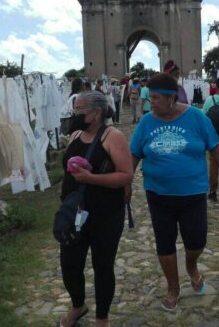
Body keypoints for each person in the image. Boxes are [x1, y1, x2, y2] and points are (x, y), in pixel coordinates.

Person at [129, 74, 219, 312]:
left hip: (193, 193)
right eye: (150, 97)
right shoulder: (147, 122)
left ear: (171, 98)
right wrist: (126, 182)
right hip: (158, 194)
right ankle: (173, 288)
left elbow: (215, 146)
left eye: (156, 97)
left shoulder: (196, 117)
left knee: (196, 242)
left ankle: (191, 266)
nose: (150, 102)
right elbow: (134, 153)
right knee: (164, 243)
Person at [59, 91, 133, 327]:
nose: (75, 114)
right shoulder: (76, 135)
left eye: (80, 110)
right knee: (69, 264)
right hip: (75, 213)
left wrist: (90, 179)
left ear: (97, 113)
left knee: (102, 266)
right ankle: (78, 305)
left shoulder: (113, 137)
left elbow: (125, 175)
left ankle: (102, 317)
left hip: (105, 214)